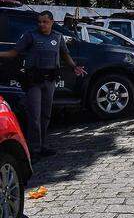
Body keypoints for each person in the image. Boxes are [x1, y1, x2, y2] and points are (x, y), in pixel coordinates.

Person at [0, 11, 86, 159]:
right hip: (34, 81)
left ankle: (43, 145)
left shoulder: (57, 37)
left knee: (46, 115)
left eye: (45, 22)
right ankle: (34, 149)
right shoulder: (30, 35)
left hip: (50, 80)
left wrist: (74, 66)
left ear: (52, 22)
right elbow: (14, 53)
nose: (41, 24)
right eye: (39, 22)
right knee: (34, 115)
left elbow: (65, 55)